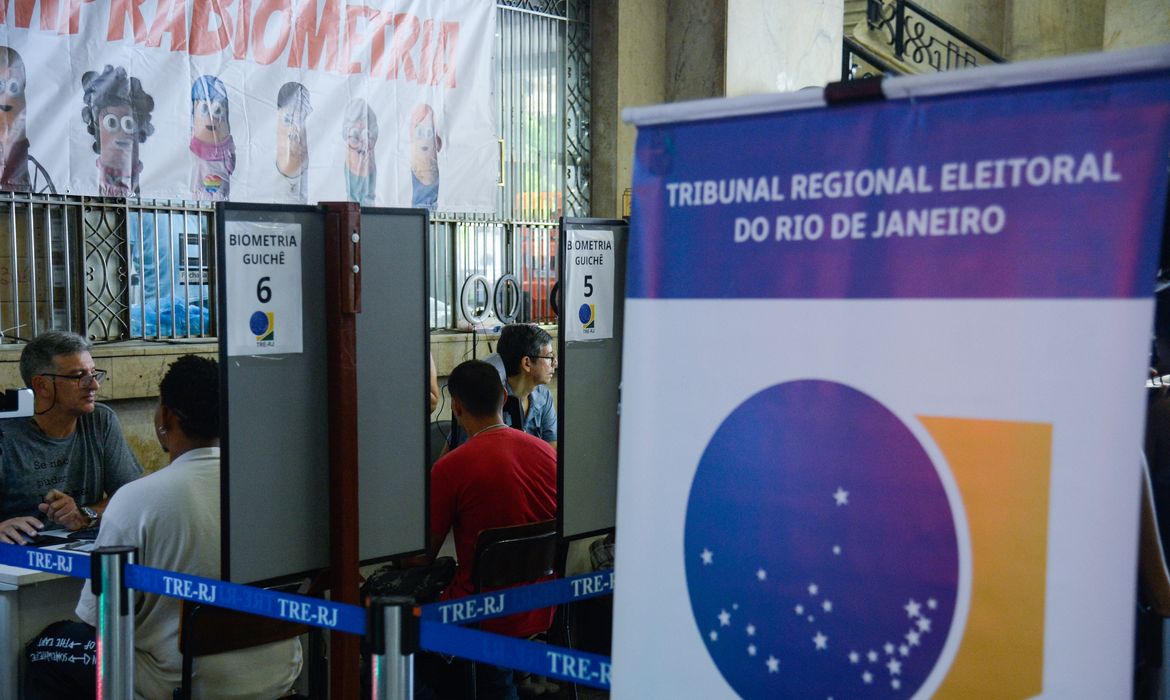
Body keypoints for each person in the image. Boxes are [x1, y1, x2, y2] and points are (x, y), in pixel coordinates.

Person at [73, 355, 302, 699]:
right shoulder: (277, 488)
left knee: (50, 649)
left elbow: (95, 618)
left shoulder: (137, 498)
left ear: (166, 415)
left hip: (183, 683)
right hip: (278, 673)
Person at [430, 359, 557, 699]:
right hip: (543, 603)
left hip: (481, 612)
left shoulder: (450, 468)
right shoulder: (548, 454)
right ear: (504, 397)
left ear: (456, 407)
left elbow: (421, 556)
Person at [0, 330, 141, 544]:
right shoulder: (6, 433)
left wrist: (84, 514)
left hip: (79, 551)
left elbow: (132, 499)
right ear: (42, 385)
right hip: (16, 560)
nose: (94, 385)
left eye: (93, 374)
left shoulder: (100, 420)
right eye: (78, 377)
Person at [446, 323, 558, 451]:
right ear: (527, 363)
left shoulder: (543, 396)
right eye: (549, 357)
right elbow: (466, 452)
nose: (555, 363)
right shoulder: (488, 398)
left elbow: (552, 449)